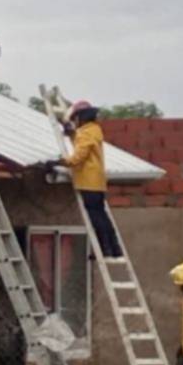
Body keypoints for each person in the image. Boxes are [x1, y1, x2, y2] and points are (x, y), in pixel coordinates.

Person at [61, 100, 122, 257]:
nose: (75, 122)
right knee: (101, 215)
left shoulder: (86, 132)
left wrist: (61, 162)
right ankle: (114, 248)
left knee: (95, 216)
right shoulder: (94, 130)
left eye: (76, 118)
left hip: (88, 181)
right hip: (97, 181)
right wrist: (73, 134)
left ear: (81, 117)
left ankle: (104, 249)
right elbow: (83, 144)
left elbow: (79, 156)